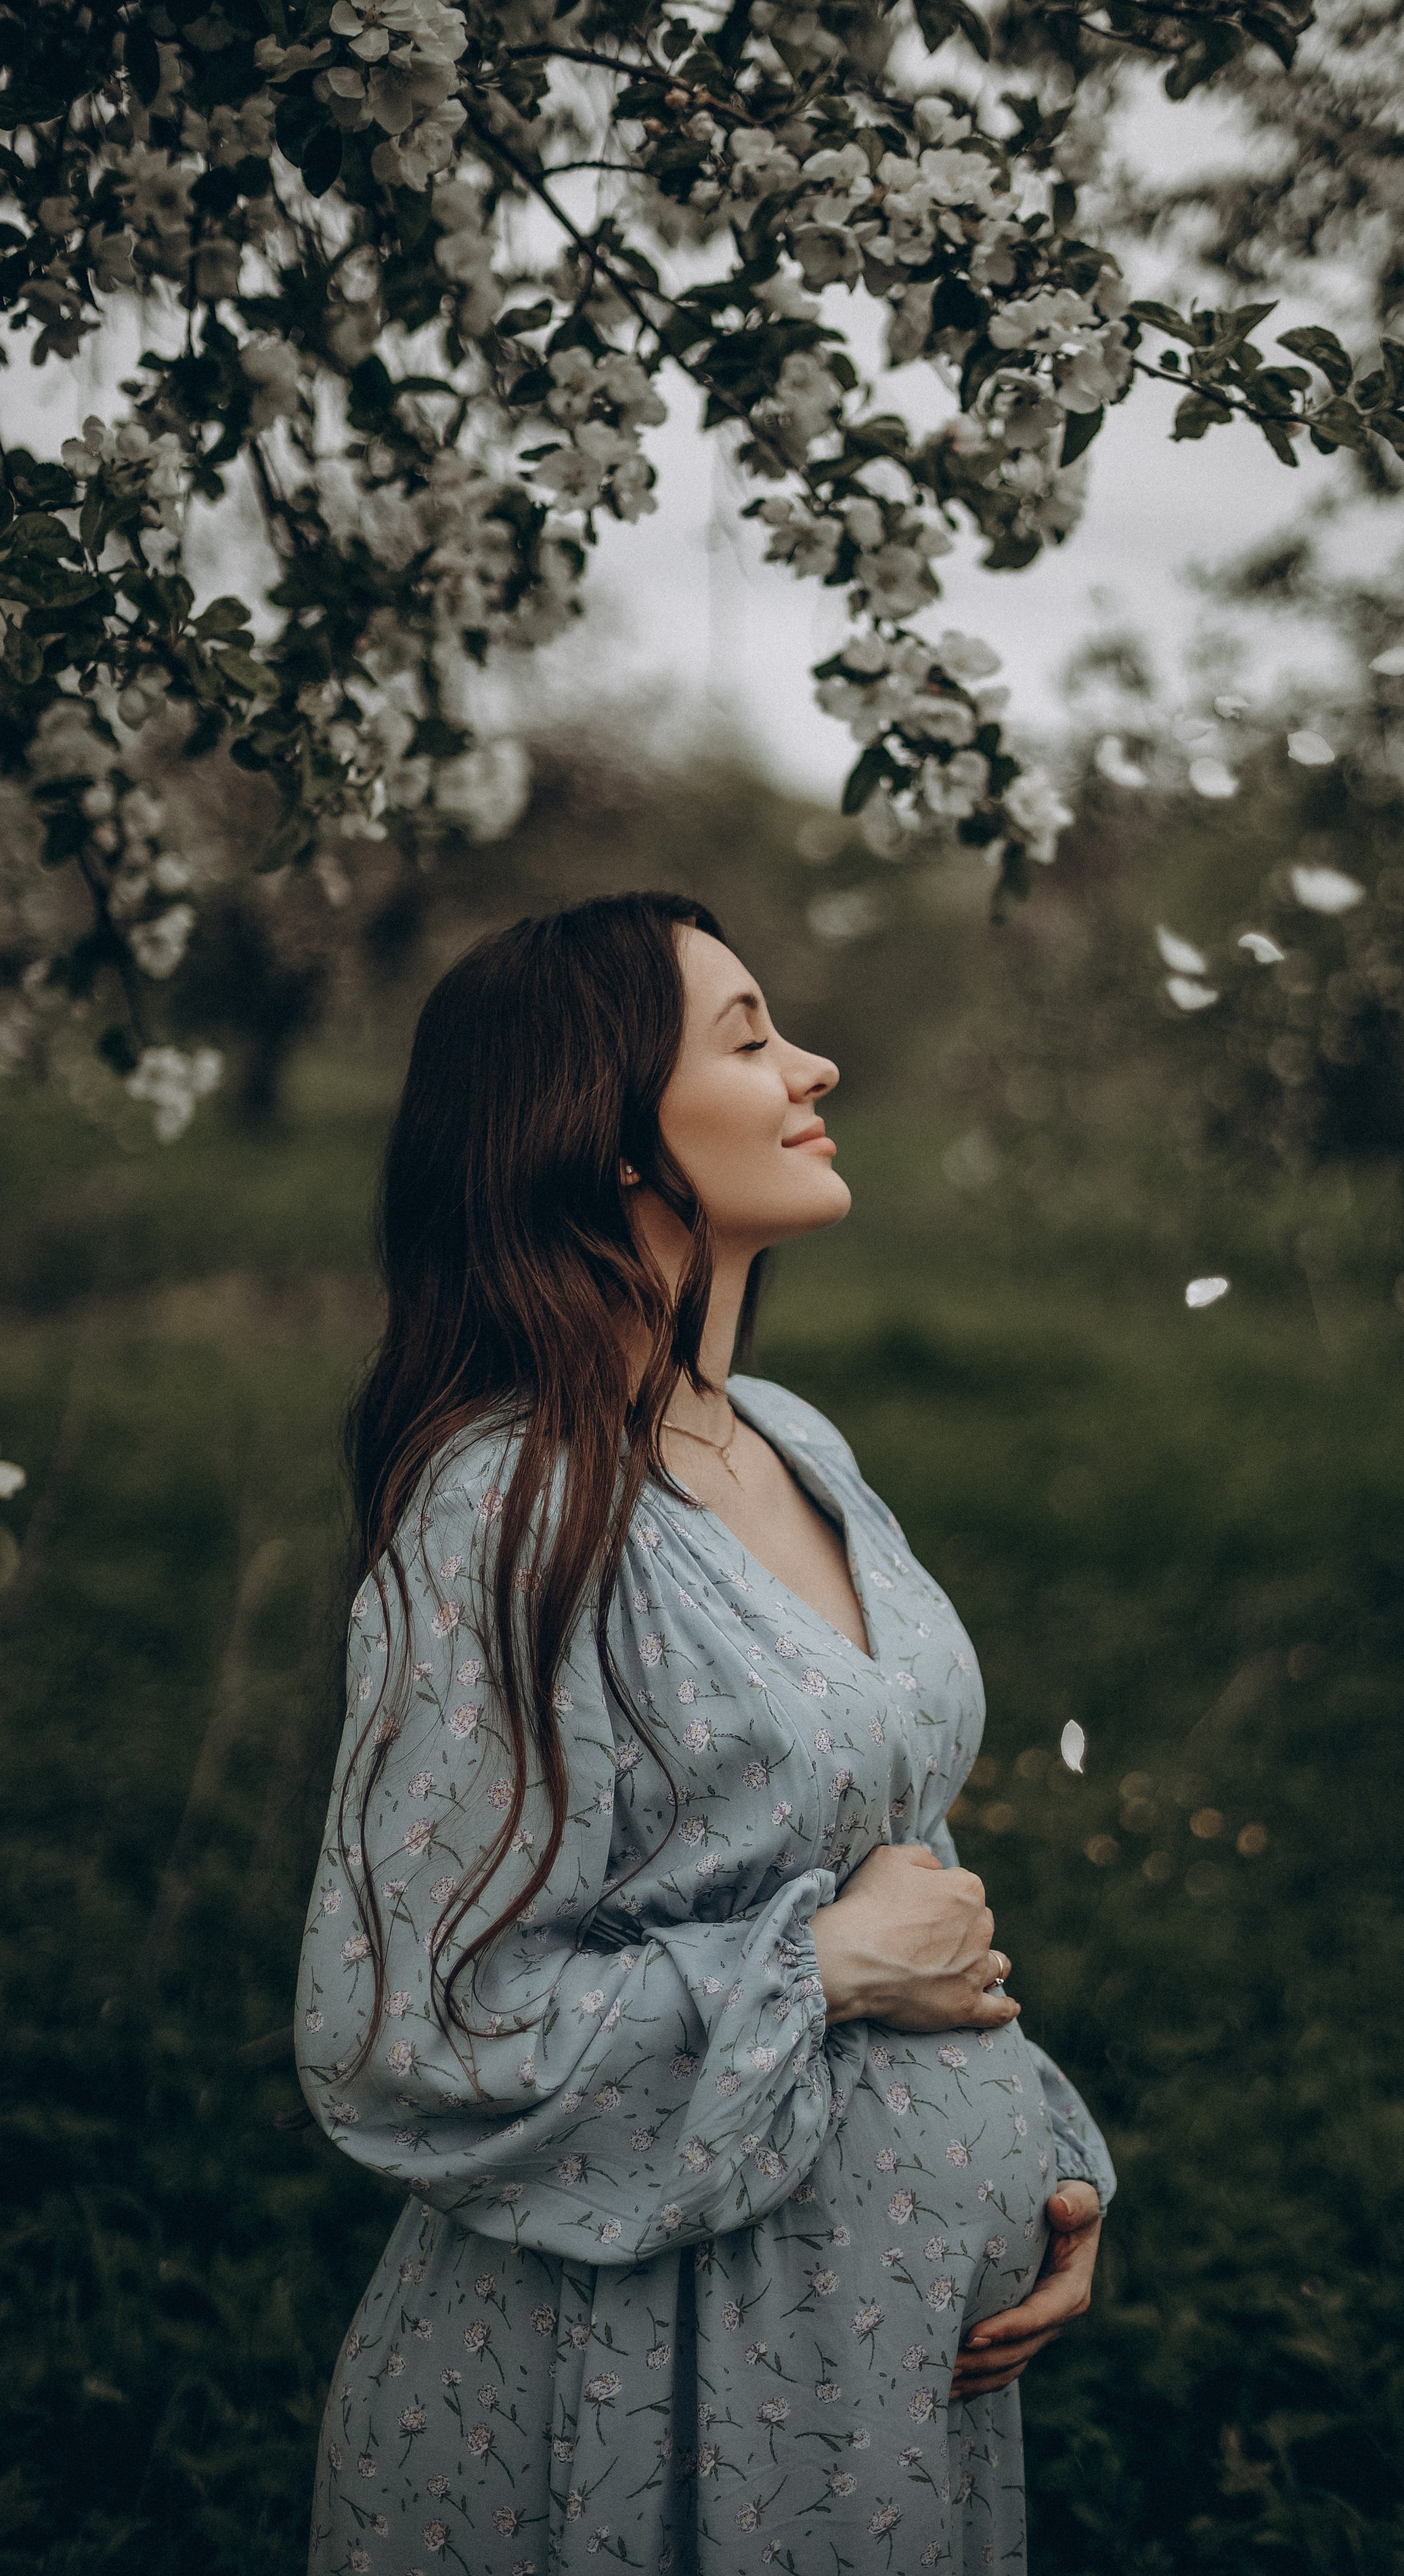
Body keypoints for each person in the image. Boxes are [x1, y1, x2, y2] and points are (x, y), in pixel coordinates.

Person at [297, 893, 1115, 2575]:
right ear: (604, 1140)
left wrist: (1045, 2169)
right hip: (657, 2369)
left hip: (877, 2363)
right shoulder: (506, 1513)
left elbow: (904, 1885)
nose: (814, 1064)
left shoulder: (791, 1440)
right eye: (747, 1036)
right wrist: (815, 1970)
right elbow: (405, 2035)